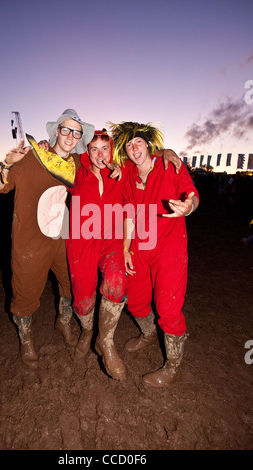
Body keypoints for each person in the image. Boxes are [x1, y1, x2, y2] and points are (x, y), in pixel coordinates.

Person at [65, 131, 182, 381]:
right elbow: (55, 160)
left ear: (112, 151)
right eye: (93, 149)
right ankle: (87, 332)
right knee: (82, 297)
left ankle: (105, 343)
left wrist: (164, 152)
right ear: (87, 152)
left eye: (104, 149)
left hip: (112, 240)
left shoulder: (121, 171)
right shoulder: (76, 169)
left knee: (118, 280)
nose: (99, 154)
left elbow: (144, 158)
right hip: (81, 244)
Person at [0, 109, 95, 368]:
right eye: (66, 129)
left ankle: (63, 321)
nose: (71, 136)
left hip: (62, 238)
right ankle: (26, 339)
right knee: (25, 296)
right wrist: (6, 164)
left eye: (76, 132)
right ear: (56, 131)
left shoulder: (79, 162)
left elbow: (118, 152)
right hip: (30, 243)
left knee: (71, 284)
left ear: (80, 138)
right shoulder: (32, 158)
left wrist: (163, 153)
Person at [110, 121, 199, 387]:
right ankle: (149, 334)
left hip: (169, 246)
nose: (134, 148)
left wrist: (189, 207)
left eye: (138, 142)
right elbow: (127, 213)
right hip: (139, 245)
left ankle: (172, 367)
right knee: (135, 301)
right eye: (128, 144)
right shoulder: (126, 171)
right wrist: (125, 248)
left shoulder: (169, 165)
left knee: (168, 308)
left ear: (148, 144)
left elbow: (192, 196)